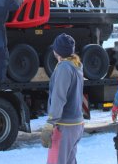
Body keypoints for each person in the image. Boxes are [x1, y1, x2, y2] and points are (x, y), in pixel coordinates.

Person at [40, 33, 84, 164]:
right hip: (75, 125)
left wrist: (50, 123)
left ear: (57, 51)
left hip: (65, 126)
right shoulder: (76, 66)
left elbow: (59, 97)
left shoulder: (64, 68)